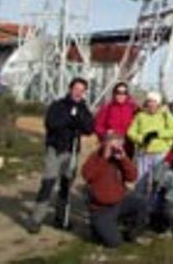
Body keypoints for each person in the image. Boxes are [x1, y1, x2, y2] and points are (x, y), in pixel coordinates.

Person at [28, 77, 95, 233]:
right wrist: (70, 119)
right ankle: (36, 219)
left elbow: (89, 128)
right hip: (56, 150)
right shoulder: (58, 105)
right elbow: (51, 123)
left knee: (66, 186)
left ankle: (61, 218)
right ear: (70, 89)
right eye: (76, 89)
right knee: (48, 184)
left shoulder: (83, 108)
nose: (78, 92)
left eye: (82, 90)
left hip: (72, 151)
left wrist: (78, 118)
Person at [81, 132, 147, 248]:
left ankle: (131, 234)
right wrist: (104, 158)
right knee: (114, 243)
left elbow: (132, 177)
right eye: (113, 144)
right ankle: (97, 229)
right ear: (105, 144)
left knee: (141, 204)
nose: (116, 148)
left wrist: (124, 159)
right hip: (100, 209)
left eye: (119, 144)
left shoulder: (119, 159)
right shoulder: (96, 157)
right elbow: (87, 175)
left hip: (119, 203)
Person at [126, 91, 173, 190]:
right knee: (141, 181)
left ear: (158, 103)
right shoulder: (140, 115)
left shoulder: (165, 115)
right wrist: (142, 138)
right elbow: (130, 132)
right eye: (149, 101)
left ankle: (156, 203)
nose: (151, 104)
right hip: (144, 152)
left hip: (161, 152)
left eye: (154, 101)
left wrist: (158, 133)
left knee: (159, 181)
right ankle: (141, 202)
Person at [93, 82, 139, 157]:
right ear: (114, 94)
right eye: (118, 92)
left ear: (127, 95)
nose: (121, 95)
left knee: (126, 167)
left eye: (124, 93)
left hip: (127, 145)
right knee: (109, 167)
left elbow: (143, 120)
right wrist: (105, 133)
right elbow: (98, 126)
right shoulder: (107, 107)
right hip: (111, 143)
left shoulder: (133, 108)